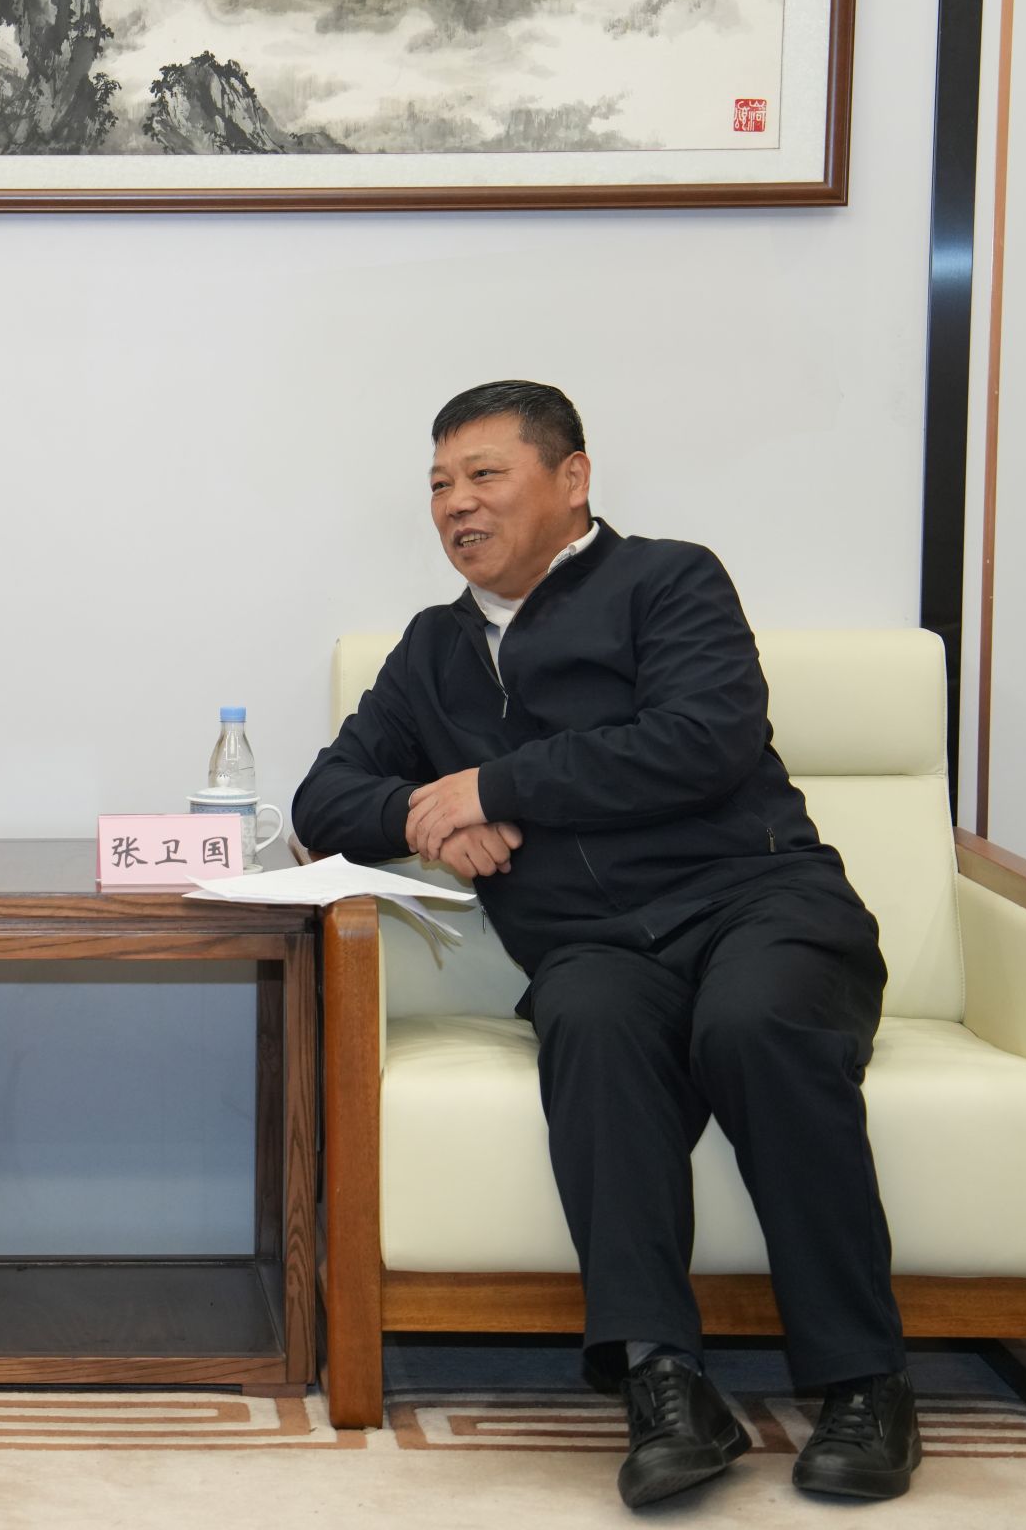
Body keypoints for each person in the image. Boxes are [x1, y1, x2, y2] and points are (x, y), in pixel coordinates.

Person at [292, 380, 922, 1508]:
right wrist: (424, 816)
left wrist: (492, 785)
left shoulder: (668, 580)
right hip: (592, 945)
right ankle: (662, 1382)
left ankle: (864, 1382)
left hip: (757, 902)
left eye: (484, 474)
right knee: (585, 1022)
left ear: (572, 477)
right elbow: (322, 798)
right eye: (438, 484)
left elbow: (700, 738)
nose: (454, 504)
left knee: (753, 1023)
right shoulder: (431, 649)